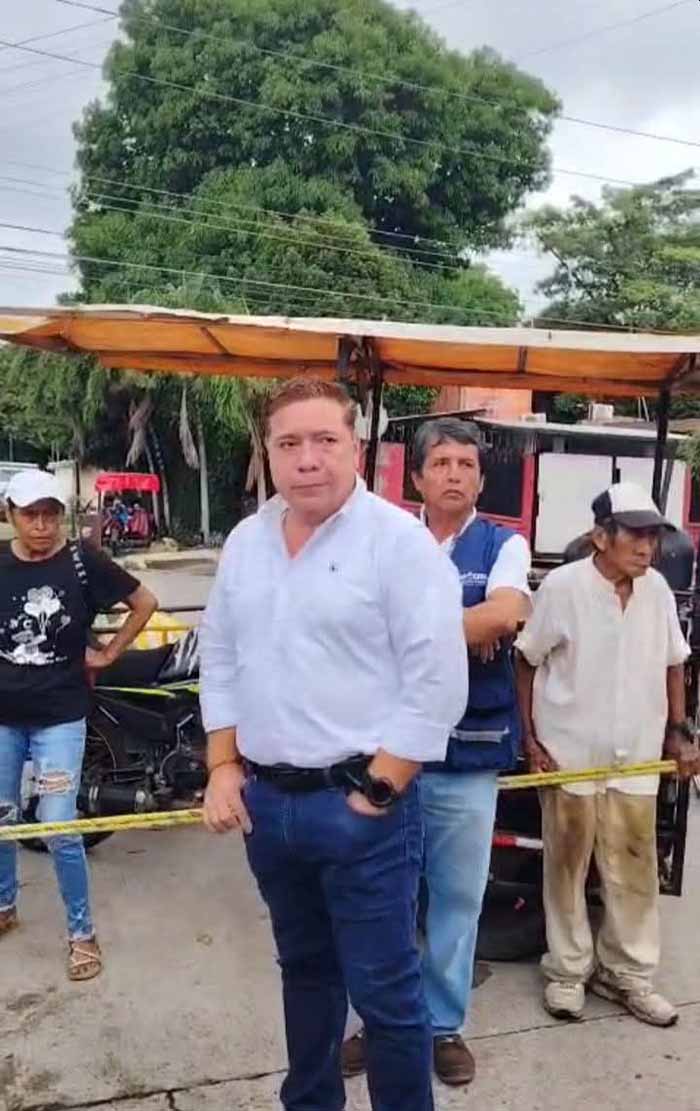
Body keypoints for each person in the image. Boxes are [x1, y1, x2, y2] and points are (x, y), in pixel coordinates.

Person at [199, 378, 468, 1111]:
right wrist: (222, 765)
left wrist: (378, 790)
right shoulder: (248, 542)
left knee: (386, 993)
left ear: (356, 446)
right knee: (306, 973)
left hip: (363, 808)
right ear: (268, 452)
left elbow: (437, 680)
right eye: (289, 443)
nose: (307, 459)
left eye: (325, 440)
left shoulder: (398, 543)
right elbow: (220, 657)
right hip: (268, 807)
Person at [342, 418, 530, 1087]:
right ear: (417, 477)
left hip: (468, 757)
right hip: (389, 755)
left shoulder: (504, 544)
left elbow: (504, 615)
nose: (455, 474)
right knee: (384, 899)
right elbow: (358, 626)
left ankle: (444, 1025)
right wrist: (460, 629)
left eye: (466, 464)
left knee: (456, 897)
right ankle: (380, 1021)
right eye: (442, 463)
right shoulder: (386, 540)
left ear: (480, 478)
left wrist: (413, 633)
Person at [514, 481, 699, 1027]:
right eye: (635, 535)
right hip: (569, 752)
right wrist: (530, 740)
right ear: (601, 537)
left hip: (636, 754)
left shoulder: (657, 591)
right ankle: (568, 971)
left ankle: (627, 974)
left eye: (653, 536)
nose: (647, 547)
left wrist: (679, 730)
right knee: (567, 866)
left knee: (634, 868)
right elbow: (526, 660)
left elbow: (674, 662)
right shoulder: (563, 587)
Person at [0, 470, 157, 980]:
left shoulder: (81, 561)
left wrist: (109, 653)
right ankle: (4, 905)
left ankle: (81, 932)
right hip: (4, 720)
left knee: (60, 825)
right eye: (30, 515)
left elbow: (145, 603)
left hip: (61, 718)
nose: (42, 525)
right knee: (2, 817)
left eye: (51, 514)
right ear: (10, 515)